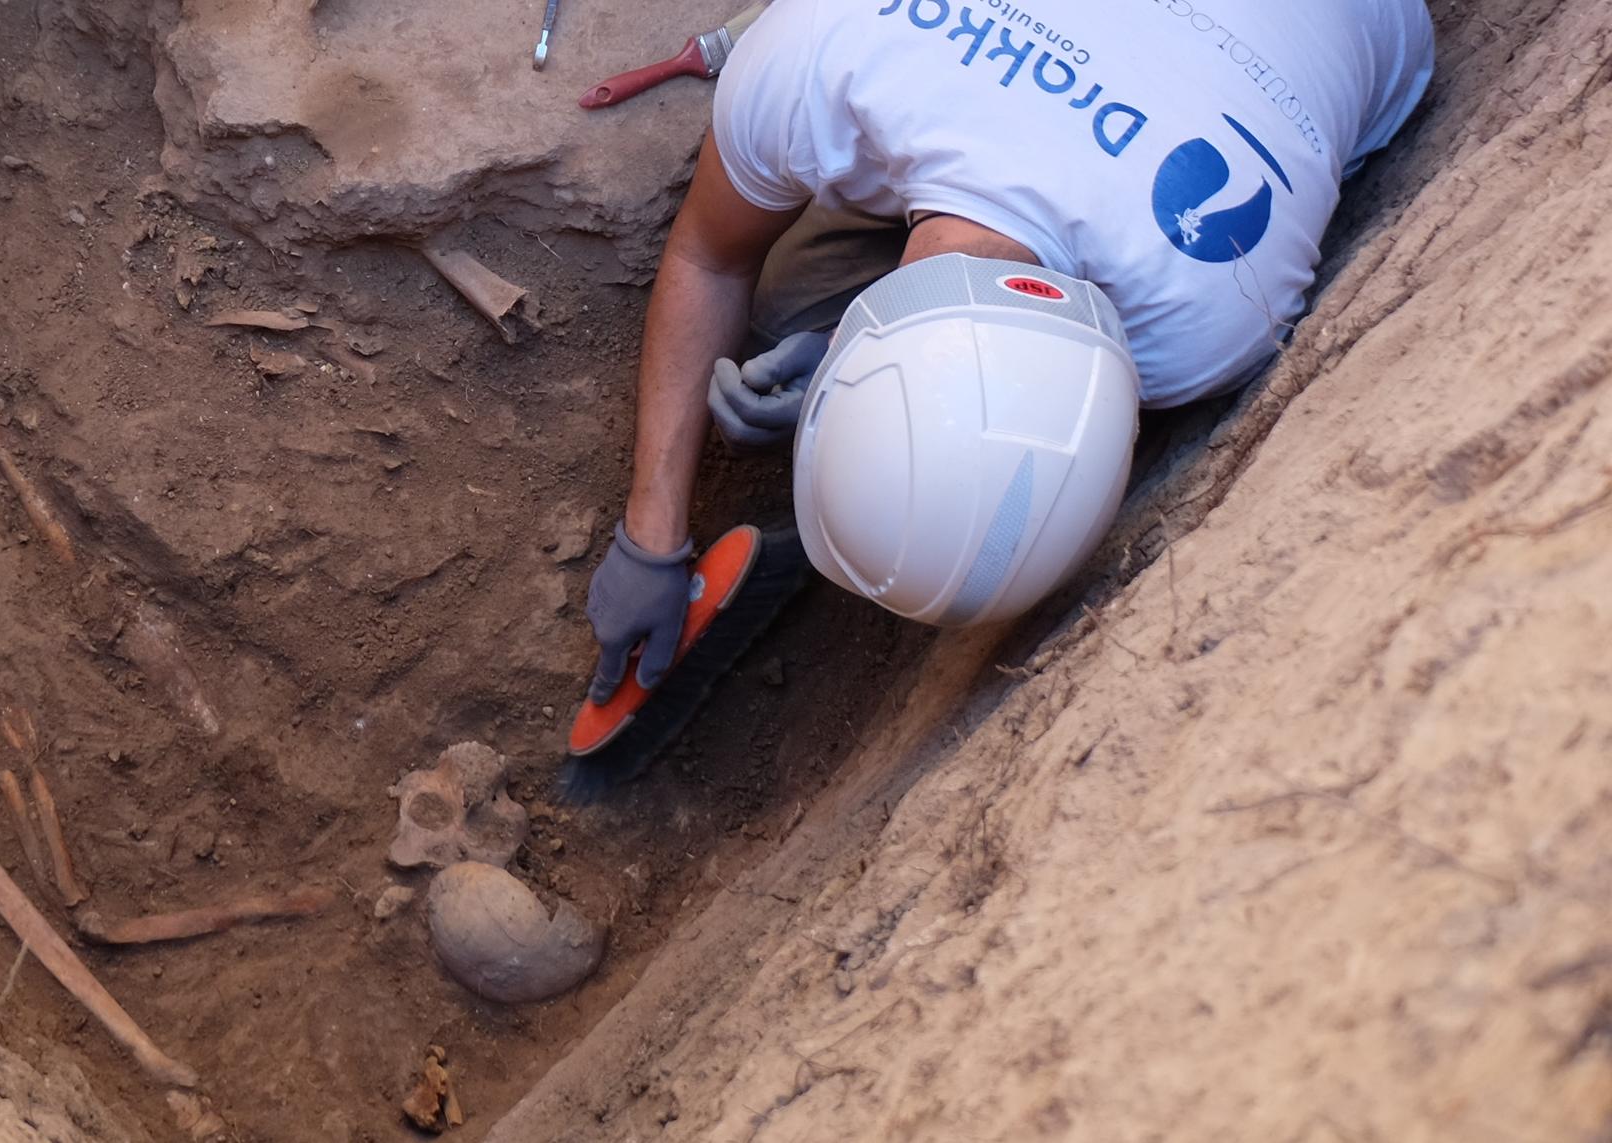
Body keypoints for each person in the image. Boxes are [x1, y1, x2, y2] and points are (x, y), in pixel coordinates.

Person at [584, 0, 1435, 703]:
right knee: (783, 303)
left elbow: (1017, 427)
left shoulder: (1211, 326)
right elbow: (706, 254)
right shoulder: (815, 56)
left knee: (797, 307)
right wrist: (651, 529)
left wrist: (848, 356)